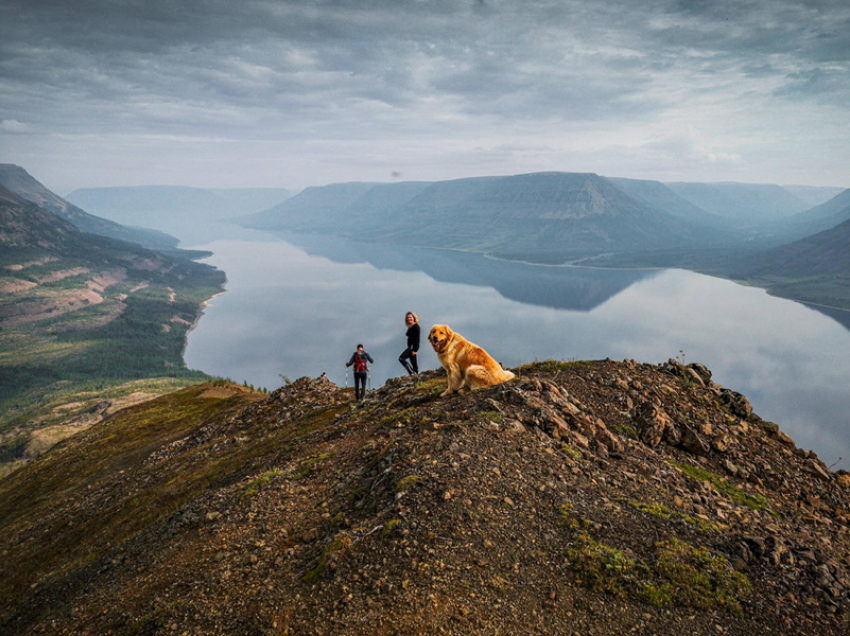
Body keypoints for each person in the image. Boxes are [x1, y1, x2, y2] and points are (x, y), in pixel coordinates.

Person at [398, 311, 420, 376]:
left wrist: (415, 350)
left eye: (410, 317)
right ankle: (415, 376)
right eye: (407, 318)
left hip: (412, 348)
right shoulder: (410, 326)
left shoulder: (416, 327)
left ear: (413, 318)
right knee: (414, 365)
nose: (409, 319)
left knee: (401, 358)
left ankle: (412, 373)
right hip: (410, 347)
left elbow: (417, 339)